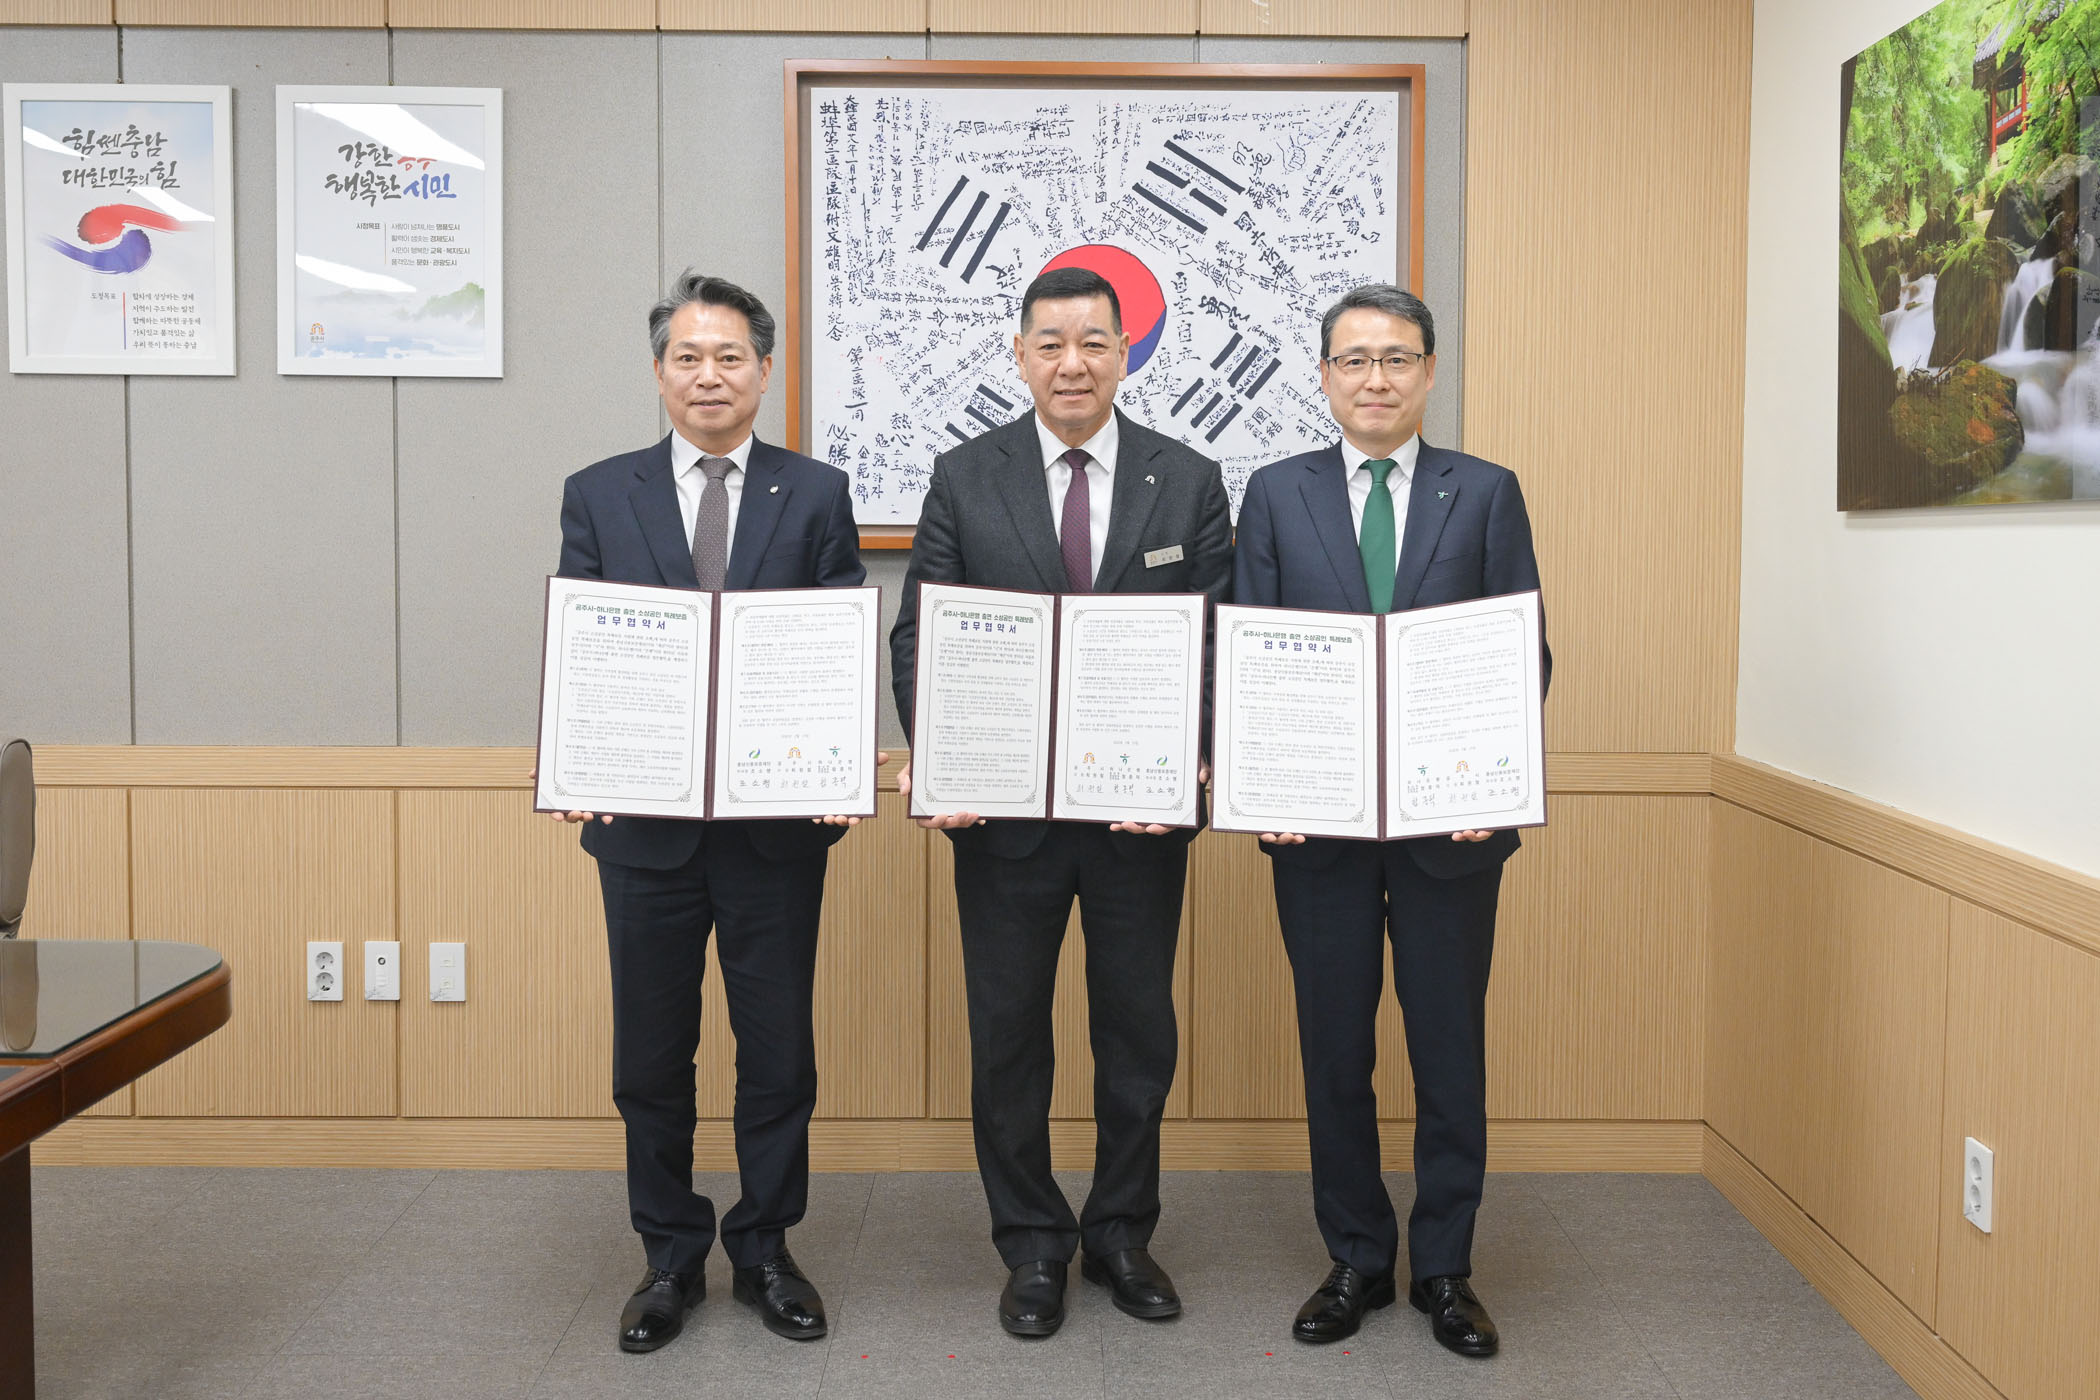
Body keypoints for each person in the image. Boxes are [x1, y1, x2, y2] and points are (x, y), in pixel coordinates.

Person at [889, 266, 1231, 1337]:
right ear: (1022, 355)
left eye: (1092, 342)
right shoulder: (965, 475)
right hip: (1005, 822)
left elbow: (1214, 638)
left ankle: (1123, 1230)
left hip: (1139, 819)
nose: (1071, 363)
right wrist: (943, 757)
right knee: (1008, 1037)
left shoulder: (1188, 479)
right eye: (1050, 343)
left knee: (1137, 1034)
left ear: (1125, 352)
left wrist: (1194, 757)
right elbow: (922, 635)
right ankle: (1032, 1241)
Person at [549, 271, 870, 1354]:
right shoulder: (601, 492)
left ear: (764, 372)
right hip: (643, 831)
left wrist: (837, 768)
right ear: (659, 372)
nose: (709, 376)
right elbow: (584, 643)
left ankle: (767, 1248)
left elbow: (836, 645)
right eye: (687, 357)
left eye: (730, 357)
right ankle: (670, 1256)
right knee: (651, 1055)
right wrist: (578, 754)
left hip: (775, 831)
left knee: (778, 1054)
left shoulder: (814, 492)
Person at [1231, 284, 1549, 1357]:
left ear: (1429, 371)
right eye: (1355, 360)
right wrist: (1264, 781)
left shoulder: (1486, 491)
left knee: (1447, 1049)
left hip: (1449, 830)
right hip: (1316, 829)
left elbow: (1522, 652)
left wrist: (1490, 781)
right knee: (1335, 1048)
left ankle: (1447, 1266)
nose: (1376, 379)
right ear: (1325, 375)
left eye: (1397, 358)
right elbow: (1249, 646)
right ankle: (1358, 1256)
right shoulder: (1276, 493)